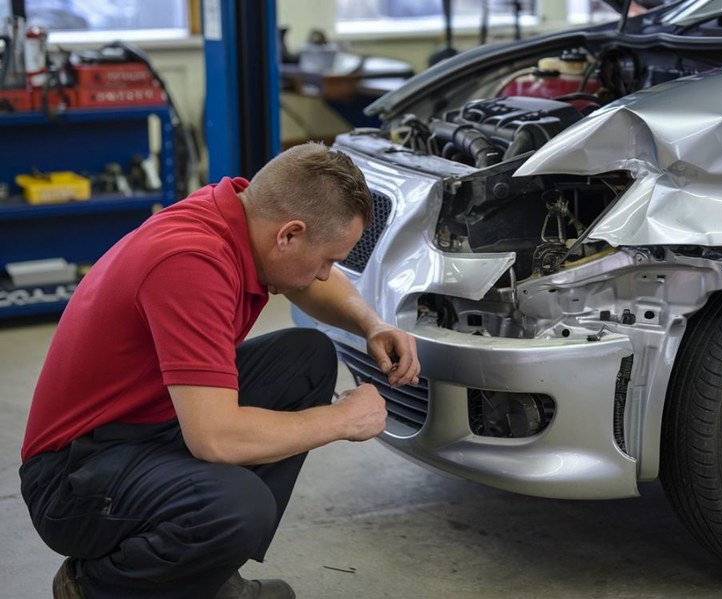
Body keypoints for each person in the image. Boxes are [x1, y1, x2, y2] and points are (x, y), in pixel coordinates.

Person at [19, 141, 421, 599]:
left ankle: (204, 575)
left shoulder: (241, 214)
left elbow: (307, 282)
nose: (327, 274)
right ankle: (94, 587)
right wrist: (343, 419)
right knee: (239, 506)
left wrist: (371, 324)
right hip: (71, 481)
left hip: (143, 425)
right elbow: (216, 439)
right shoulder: (190, 263)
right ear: (288, 235)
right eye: (329, 259)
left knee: (305, 359)